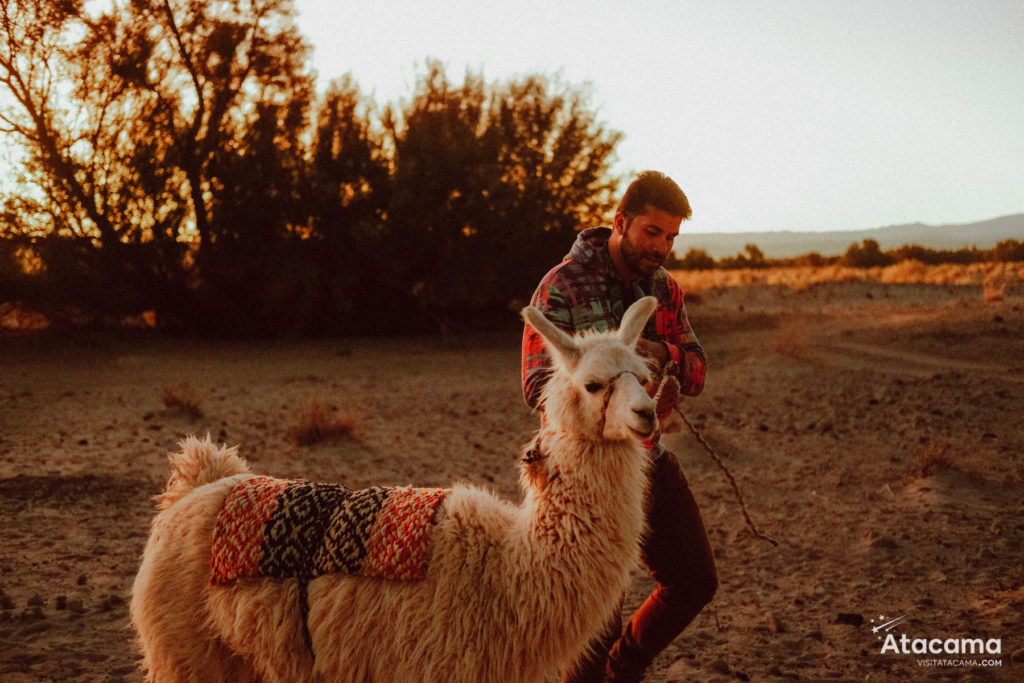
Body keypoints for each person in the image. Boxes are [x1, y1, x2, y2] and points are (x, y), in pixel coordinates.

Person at [521, 171, 717, 682]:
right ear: (620, 222)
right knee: (594, 617)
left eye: (672, 237)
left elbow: (697, 368)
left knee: (695, 580)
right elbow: (535, 383)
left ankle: (623, 668)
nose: (663, 247)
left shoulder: (663, 290)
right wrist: (606, 384)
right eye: (653, 233)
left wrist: (663, 360)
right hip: (581, 475)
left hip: (647, 458)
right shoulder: (561, 286)